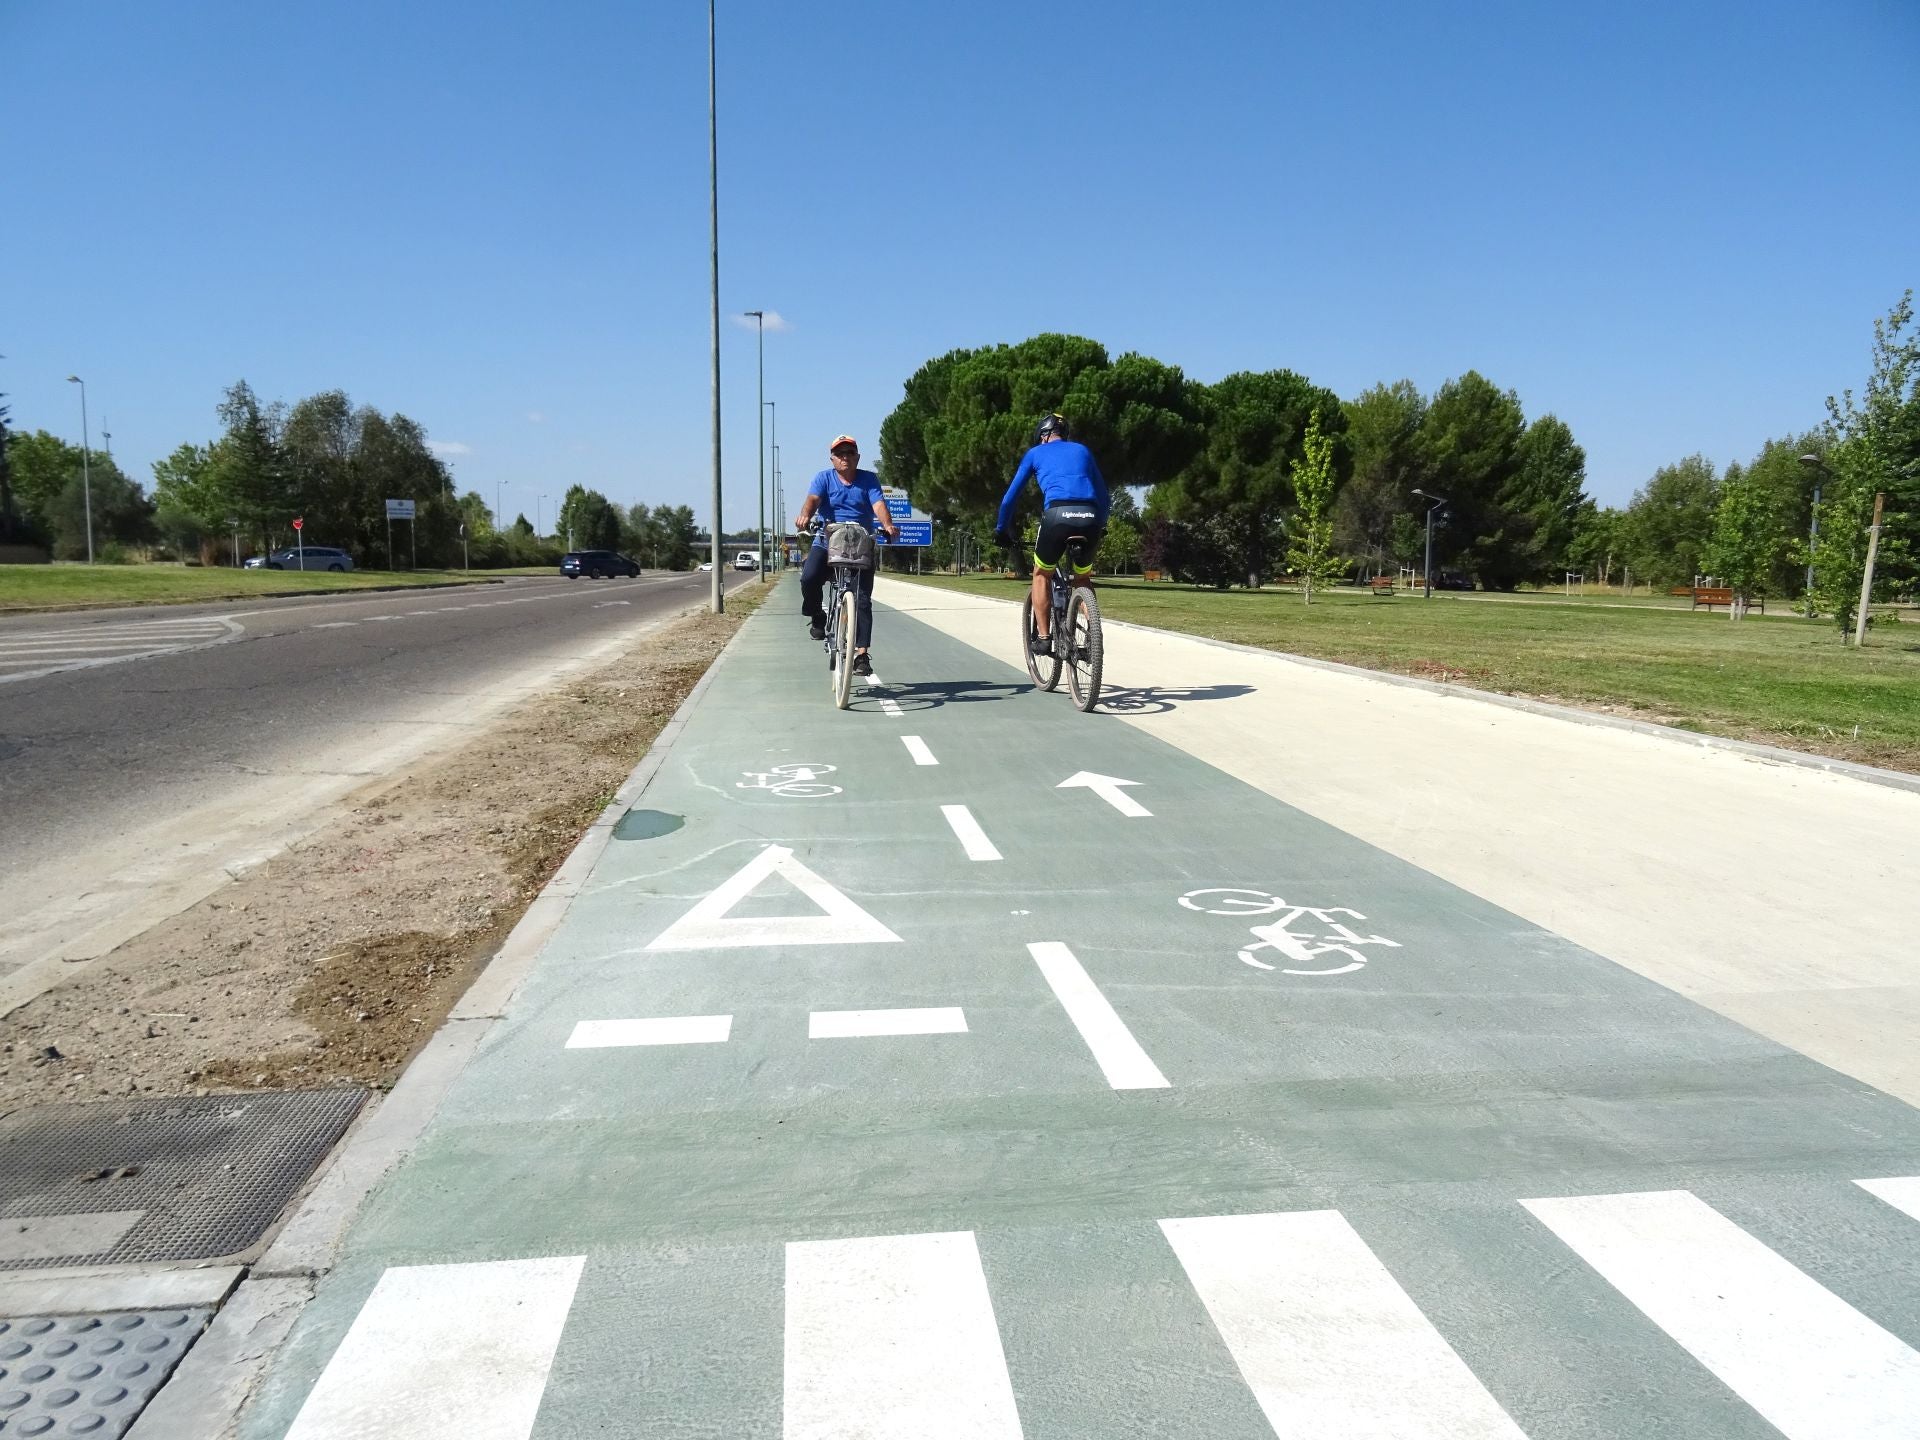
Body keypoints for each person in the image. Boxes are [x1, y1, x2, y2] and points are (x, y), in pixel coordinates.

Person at [993, 414, 1110, 652]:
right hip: (1090, 516)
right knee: (1083, 579)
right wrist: (1102, 524)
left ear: (1043, 436)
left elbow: (1009, 499)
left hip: (1057, 515)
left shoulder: (1035, 453)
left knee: (1041, 574)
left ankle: (1045, 638)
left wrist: (1001, 529)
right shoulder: (1083, 451)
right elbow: (1104, 496)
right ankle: (1092, 639)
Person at [794, 434, 900, 676]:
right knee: (809, 578)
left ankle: (861, 655)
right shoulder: (823, 478)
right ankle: (817, 616)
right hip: (827, 541)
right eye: (840, 454)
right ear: (832, 458)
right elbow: (812, 500)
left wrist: (888, 525)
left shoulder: (869, 479)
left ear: (858, 457)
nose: (845, 458)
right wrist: (805, 516)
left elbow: (879, 505)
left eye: (850, 453)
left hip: (860, 544)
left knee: (862, 600)